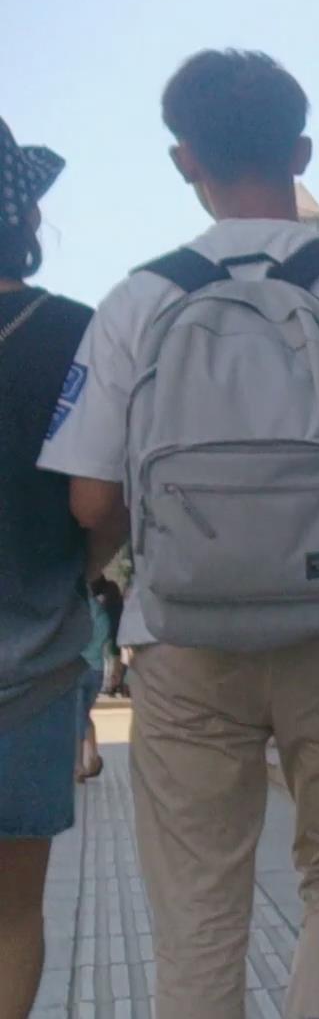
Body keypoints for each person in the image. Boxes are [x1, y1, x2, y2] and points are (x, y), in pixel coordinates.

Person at [38, 51, 319, 1017]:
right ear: (300, 151)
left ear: (183, 160)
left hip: (181, 636)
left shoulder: (135, 302)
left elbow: (91, 503)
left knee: (196, 908)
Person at [0, 118, 95, 1018]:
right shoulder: (71, 331)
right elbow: (97, 505)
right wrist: (83, 569)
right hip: (28, 671)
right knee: (12, 914)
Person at [75, 579, 122, 782]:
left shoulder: (81, 611)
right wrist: (114, 670)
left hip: (77, 670)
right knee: (83, 716)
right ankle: (92, 759)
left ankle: (80, 764)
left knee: (78, 718)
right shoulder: (104, 616)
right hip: (97, 671)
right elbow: (109, 646)